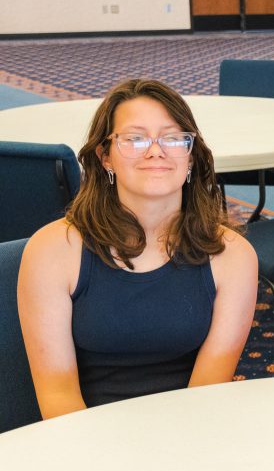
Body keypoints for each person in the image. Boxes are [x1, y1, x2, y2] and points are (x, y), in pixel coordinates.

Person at [18, 78, 258, 419]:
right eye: (134, 138)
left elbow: (208, 392)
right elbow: (57, 394)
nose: (156, 150)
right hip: (82, 434)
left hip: (192, 430)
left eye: (174, 138)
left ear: (190, 158)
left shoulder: (232, 255)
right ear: (105, 157)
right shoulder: (54, 250)